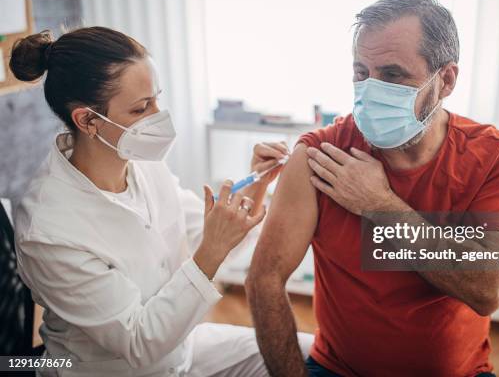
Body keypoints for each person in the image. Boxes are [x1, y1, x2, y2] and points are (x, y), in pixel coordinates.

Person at [246, 0, 499, 376]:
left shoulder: (494, 156)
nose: (371, 90)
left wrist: (380, 206)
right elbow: (264, 278)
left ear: (445, 80)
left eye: (392, 75)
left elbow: (487, 290)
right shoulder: (319, 155)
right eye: (361, 73)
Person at [10, 26, 312, 377]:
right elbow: (140, 343)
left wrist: (257, 183)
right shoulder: (48, 228)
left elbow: (211, 235)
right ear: (88, 120)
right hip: (113, 368)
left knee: (306, 353)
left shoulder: (142, 165)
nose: (158, 116)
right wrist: (212, 249)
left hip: (180, 350)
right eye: (141, 108)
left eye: (156, 99)